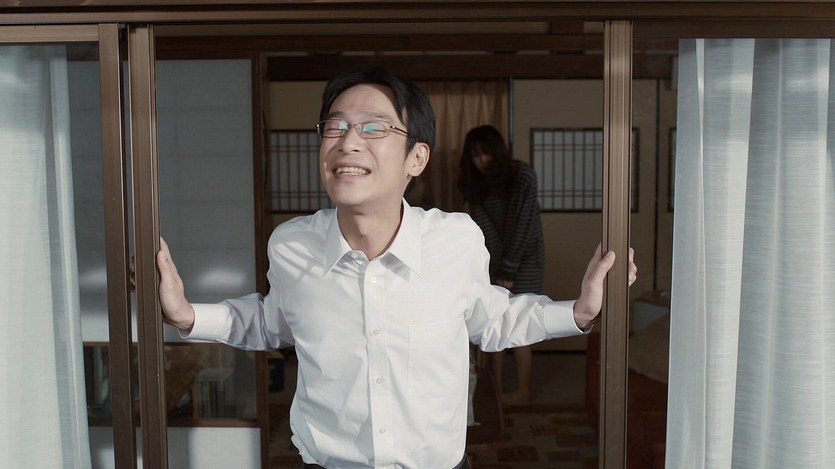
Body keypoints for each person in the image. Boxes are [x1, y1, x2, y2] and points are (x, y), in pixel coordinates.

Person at [156, 68, 637, 469]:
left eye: (374, 128)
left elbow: (494, 320)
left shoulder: (455, 239)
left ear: (417, 158)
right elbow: (271, 321)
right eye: (335, 127)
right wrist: (187, 315)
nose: (348, 142)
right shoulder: (291, 245)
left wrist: (579, 311)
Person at [457, 124, 543, 407]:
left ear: (498, 151)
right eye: (476, 155)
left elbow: (523, 225)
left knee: (521, 322)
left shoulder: (522, 176)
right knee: (493, 321)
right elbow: (486, 231)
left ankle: (522, 390)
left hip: (527, 258)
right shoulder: (473, 184)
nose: (482, 160)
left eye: (487, 153)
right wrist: (496, 270)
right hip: (493, 260)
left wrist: (509, 268)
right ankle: (494, 390)